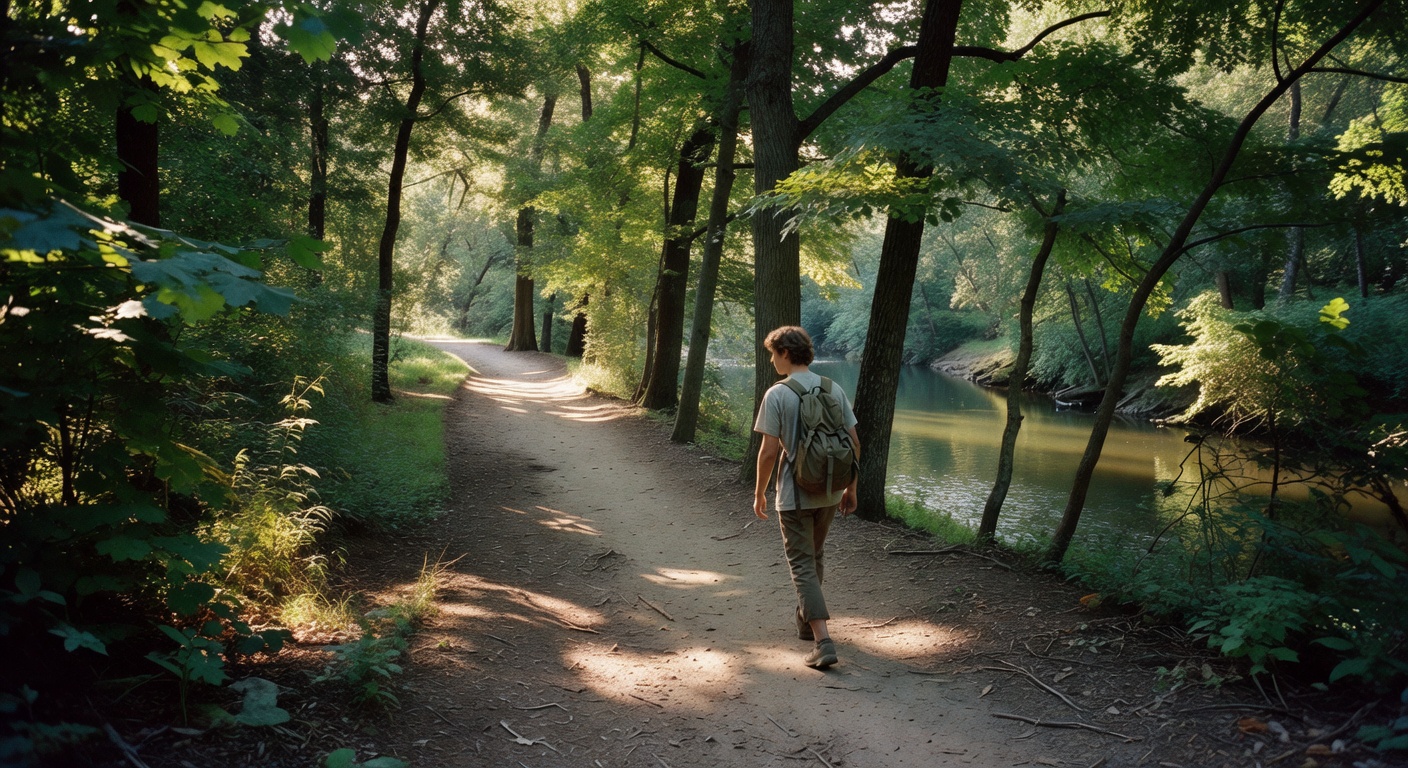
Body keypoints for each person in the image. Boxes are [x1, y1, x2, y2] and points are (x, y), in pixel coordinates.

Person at [752, 325, 859, 669]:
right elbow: (854, 443)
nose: (772, 361)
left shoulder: (777, 394)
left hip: (795, 494)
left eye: (773, 354)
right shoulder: (833, 387)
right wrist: (850, 488)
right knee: (814, 556)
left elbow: (769, 452)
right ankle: (804, 620)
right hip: (830, 490)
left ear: (785, 353)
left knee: (801, 564)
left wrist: (759, 492)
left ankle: (823, 641)